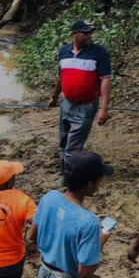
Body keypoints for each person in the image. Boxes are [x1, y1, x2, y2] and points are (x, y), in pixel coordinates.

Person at [27, 150, 114, 278]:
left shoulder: (49, 197)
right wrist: (101, 239)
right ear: (90, 185)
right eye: (98, 181)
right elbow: (85, 271)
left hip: (44, 274)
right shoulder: (89, 222)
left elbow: (32, 236)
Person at [49, 20, 111, 173]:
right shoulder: (64, 51)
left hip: (86, 106)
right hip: (67, 103)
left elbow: (105, 80)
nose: (90, 36)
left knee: (74, 145)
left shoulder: (99, 53)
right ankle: (64, 169)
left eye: (90, 33)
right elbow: (61, 77)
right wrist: (55, 96)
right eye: (86, 33)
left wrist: (104, 109)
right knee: (63, 139)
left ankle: (71, 177)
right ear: (75, 33)